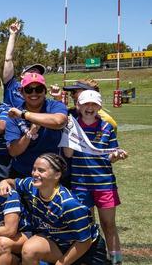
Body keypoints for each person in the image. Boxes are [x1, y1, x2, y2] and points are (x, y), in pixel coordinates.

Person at [0, 153, 107, 264]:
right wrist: (4, 182)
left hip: (85, 250)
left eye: (41, 170)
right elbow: (13, 182)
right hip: (55, 241)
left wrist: (61, 263)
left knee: (31, 249)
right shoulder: (31, 186)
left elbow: (85, 242)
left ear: (57, 175)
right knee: (28, 249)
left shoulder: (69, 204)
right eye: (34, 169)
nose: (35, 173)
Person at [63, 90, 127, 264]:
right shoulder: (73, 125)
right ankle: (91, 259)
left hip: (104, 184)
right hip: (80, 184)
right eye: (85, 104)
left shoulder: (106, 127)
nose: (89, 108)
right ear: (78, 106)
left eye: (93, 104)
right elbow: (68, 154)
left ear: (99, 107)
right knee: (87, 227)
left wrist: (117, 156)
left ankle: (115, 260)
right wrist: (71, 134)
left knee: (109, 225)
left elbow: (110, 155)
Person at [4, 72, 68, 178]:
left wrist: (25, 115)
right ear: (21, 92)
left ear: (45, 91)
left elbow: (59, 122)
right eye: (29, 89)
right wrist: (29, 134)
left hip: (52, 174)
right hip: (23, 173)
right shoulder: (14, 115)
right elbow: (13, 151)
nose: (34, 93)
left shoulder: (54, 106)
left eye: (38, 89)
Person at [2, 20, 47, 108]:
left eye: (38, 73)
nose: (34, 74)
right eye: (31, 71)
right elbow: (8, 59)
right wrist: (12, 34)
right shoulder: (11, 85)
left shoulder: (40, 92)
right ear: (22, 75)